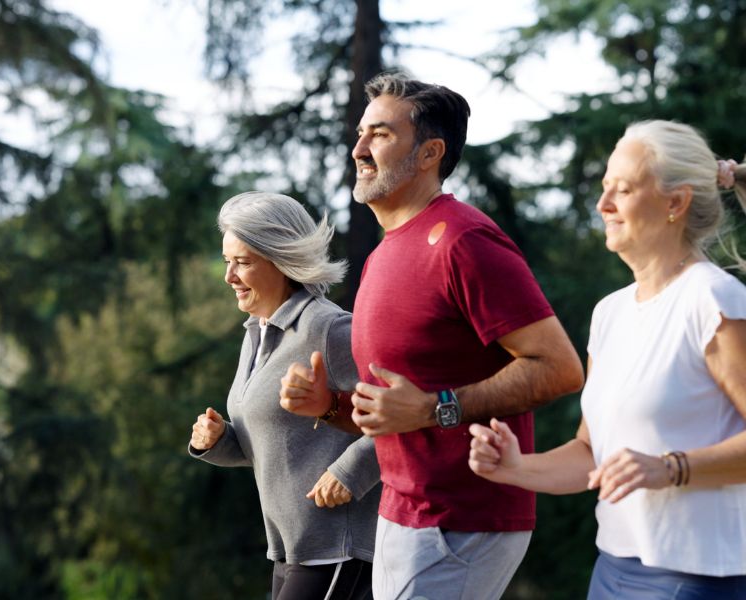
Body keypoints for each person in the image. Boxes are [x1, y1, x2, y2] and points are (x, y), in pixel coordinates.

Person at [280, 73, 585, 600]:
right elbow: (397, 412)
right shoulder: (383, 255)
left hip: (461, 521)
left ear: (429, 153)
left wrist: (434, 408)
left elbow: (559, 368)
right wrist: (329, 406)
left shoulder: (465, 240)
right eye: (360, 134)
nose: (358, 149)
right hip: (402, 515)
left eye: (379, 134)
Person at [468, 121, 746, 599]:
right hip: (612, 570)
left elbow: (653, 465)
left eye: (624, 189)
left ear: (675, 203)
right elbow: (591, 454)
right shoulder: (610, 312)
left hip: (697, 579)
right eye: (604, 188)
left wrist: (671, 467)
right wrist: (515, 467)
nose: (603, 205)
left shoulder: (715, 299)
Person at [189, 191, 380, 600]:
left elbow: (401, 415)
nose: (229, 277)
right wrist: (218, 440)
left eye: (242, 262)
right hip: (291, 547)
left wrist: (350, 472)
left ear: (281, 259)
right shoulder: (256, 335)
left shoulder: (328, 329)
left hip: (339, 545)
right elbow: (267, 443)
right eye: (227, 262)